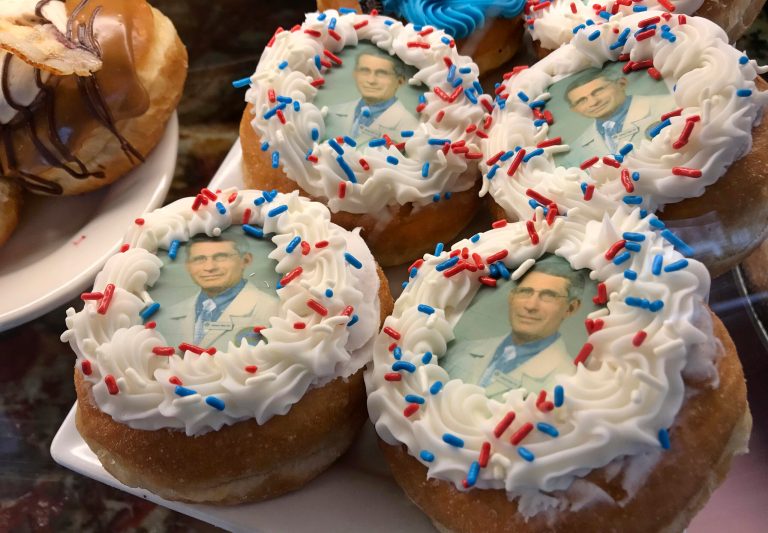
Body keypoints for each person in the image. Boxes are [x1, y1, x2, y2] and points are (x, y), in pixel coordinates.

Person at [440, 255, 585, 400]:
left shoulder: (568, 381)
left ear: (570, 308)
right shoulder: (460, 350)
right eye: (525, 292)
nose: (530, 306)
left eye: (548, 296)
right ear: (511, 297)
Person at [158, 235, 279, 351]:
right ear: (188, 266)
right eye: (199, 259)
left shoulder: (275, 311)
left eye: (221, 257)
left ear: (246, 260)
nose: (209, 267)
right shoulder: (166, 316)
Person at [557, 67, 675, 167]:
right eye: (582, 101)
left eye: (598, 91)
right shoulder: (575, 151)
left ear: (621, 84)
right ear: (575, 109)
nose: (593, 102)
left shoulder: (671, 106)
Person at [324, 45, 420, 144]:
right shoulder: (330, 113)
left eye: (382, 73)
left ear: (400, 81)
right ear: (355, 74)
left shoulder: (412, 127)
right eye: (365, 71)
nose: (371, 80)